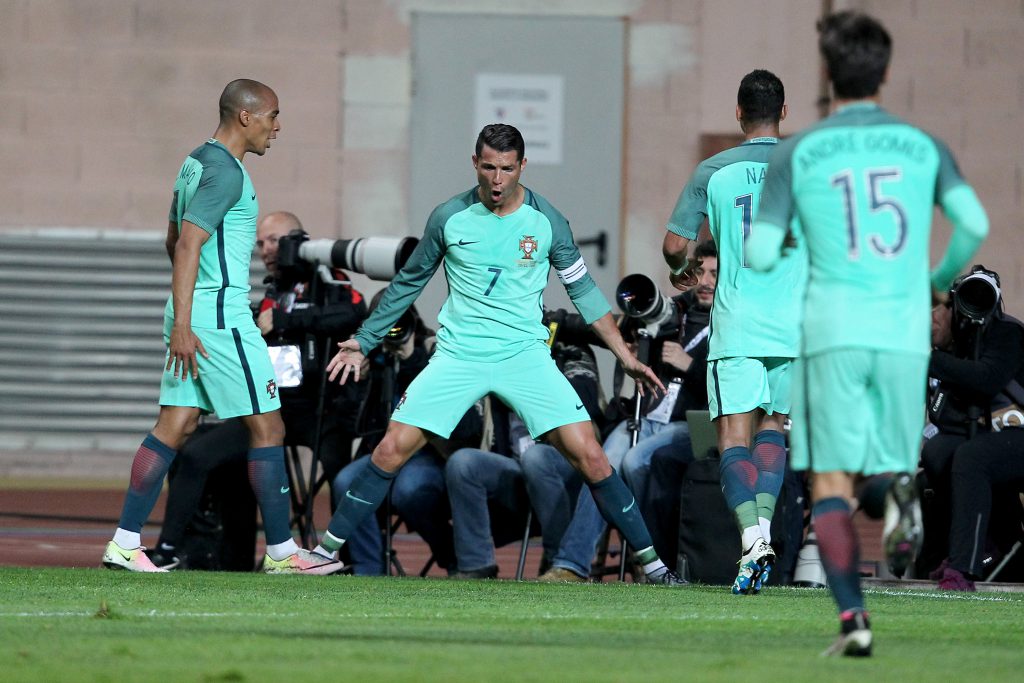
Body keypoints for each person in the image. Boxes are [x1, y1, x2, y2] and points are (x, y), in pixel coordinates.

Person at [314, 123, 686, 586]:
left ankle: (655, 567)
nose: (496, 179)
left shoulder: (547, 221)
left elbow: (585, 292)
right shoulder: (448, 217)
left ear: (522, 167)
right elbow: (409, 282)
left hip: (524, 356)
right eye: (488, 167)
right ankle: (321, 554)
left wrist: (624, 356)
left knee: (592, 456)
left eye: (507, 169)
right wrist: (364, 340)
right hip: (459, 355)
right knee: (390, 449)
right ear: (475, 163)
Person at [746, 12, 989, 656]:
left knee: (829, 481)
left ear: (828, 73)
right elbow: (973, 223)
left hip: (833, 331)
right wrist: (932, 277)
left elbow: (763, 253)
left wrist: (796, 236)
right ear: (884, 72)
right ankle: (899, 494)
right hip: (905, 331)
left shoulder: (801, 150)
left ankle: (854, 622)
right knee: (885, 467)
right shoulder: (924, 144)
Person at [101, 79, 344, 575]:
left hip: (195, 312)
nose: (278, 127)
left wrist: (182, 313)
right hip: (218, 318)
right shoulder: (227, 174)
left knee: (175, 425)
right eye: (273, 116)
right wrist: (191, 321)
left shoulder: (195, 162)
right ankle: (282, 554)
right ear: (246, 117)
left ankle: (125, 542)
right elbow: (187, 245)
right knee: (268, 425)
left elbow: (172, 237)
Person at [146, 210, 367, 570]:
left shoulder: (331, 282)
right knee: (197, 454)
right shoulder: (269, 291)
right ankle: (175, 551)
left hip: (322, 411)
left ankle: (353, 562)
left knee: (344, 474)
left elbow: (353, 316)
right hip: (268, 405)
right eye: (261, 243)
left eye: (275, 241)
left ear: (299, 241)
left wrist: (288, 321)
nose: (266, 250)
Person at [663, 69, 804, 595]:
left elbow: (677, 246)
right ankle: (761, 541)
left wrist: (679, 270)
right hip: (792, 327)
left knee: (731, 441)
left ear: (738, 113)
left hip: (740, 325)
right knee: (773, 434)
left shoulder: (714, 170)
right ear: (784, 113)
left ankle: (751, 540)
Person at [536, 244, 716, 583]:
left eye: (714, 274)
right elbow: (607, 329)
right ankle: (572, 565)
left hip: (690, 426)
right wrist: (556, 320)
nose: (705, 282)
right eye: (699, 273)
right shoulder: (670, 311)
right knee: (602, 463)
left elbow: (733, 387)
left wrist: (689, 365)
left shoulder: (731, 322)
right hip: (643, 417)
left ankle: (650, 563)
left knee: (635, 461)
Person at [332, 301, 478, 576]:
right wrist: (361, 380)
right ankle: (368, 567)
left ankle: (451, 556)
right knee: (345, 482)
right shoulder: (371, 357)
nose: (392, 331)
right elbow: (350, 426)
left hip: (429, 454)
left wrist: (412, 361)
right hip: (383, 450)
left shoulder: (436, 351)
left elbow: (464, 423)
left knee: (410, 490)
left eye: (398, 322)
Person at [445, 341, 602, 579]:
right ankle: (475, 565)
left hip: (564, 465)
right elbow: (463, 429)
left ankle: (559, 560)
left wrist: (532, 384)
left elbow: (587, 404)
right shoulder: (491, 358)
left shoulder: (568, 350)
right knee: (462, 462)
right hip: (514, 468)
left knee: (536, 457)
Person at [919, 267, 1024, 590]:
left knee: (972, 457)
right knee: (937, 454)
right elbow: (947, 420)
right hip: (995, 445)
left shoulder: (1008, 333)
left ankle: (963, 568)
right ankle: (979, 546)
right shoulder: (952, 352)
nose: (931, 318)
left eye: (937, 309)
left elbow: (986, 378)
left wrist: (925, 358)